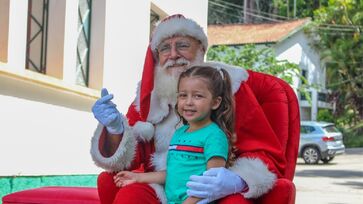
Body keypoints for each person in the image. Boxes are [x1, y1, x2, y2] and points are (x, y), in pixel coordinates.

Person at [91, 14, 288, 204]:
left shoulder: (230, 87)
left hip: (214, 190)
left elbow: (263, 152)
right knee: (130, 197)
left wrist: (237, 180)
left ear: (201, 50)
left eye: (183, 45)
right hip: (164, 187)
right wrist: (115, 130)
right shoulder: (149, 97)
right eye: (165, 48)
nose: (174, 54)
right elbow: (133, 159)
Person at [113, 65, 236, 204]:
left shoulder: (214, 136)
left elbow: (212, 184)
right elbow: (171, 173)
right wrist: (137, 177)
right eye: (183, 95)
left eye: (198, 96)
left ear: (215, 102)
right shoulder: (179, 133)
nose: (189, 102)